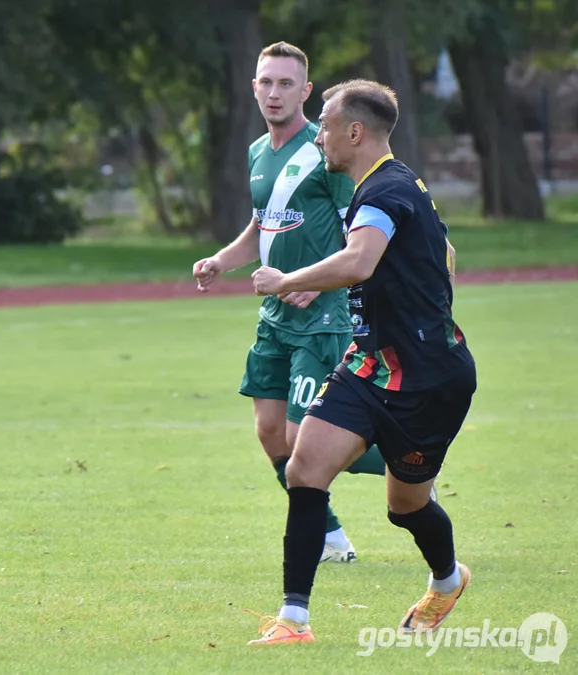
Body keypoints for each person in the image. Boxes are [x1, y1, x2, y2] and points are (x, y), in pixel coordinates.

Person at [247, 79, 476, 645]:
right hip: (370, 365)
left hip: (428, 380)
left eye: (324, 125)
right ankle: (293, 621)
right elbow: (446, 252)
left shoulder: (384, 190)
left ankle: (447, 580)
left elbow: (359, 261)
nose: (319, 135)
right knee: (304, 470)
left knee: (405, 507)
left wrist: (286, 280)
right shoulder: (386, 186)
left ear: (355, 131)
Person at [192, 42, 386, 563]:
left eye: (285, 84)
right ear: (253, 87)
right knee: (269, 431)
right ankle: (330, 537)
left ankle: (408, 465)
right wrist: (221, 260)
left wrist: (316, 281)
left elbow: (357, 236)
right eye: (266, 83)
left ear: (305, 91)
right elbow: (263, 227)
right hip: (275, 315)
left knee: (306, 440)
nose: (274, 93)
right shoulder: (258, 152)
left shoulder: (326, 153)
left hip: (322, 316)